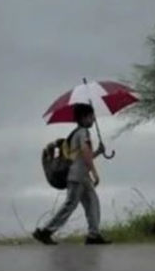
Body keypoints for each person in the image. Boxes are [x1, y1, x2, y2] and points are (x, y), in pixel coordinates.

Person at [33, 103, 111, 245]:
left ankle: (93, 235)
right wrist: (94, 172)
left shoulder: (76, 133)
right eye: (92, 116)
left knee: (93, 203)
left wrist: (99, 152)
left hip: (81, 177)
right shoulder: (83, 133)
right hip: (78, 177)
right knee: (70, 205)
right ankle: (45, 231)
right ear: (84, 117)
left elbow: (82, 156)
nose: (93, 119)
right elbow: (86, 153)